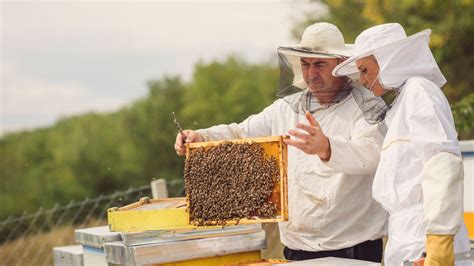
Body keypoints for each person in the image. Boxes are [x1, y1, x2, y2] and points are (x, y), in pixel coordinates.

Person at [174, 22, 388, 262]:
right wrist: (201, 137)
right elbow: (242, 132)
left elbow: (373, 155)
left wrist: (327, 147)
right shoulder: (286, 109)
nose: (311, 74)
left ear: (340, 64)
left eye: (319, 64)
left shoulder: (367, 106)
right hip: (296, 249)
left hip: (352, 250)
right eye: (305, 65)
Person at [333, 23, 471, 266]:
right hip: (404, 235)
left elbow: (442, 162)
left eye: (365, 70)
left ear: (389, 60)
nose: (363, 80)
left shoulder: (420, 90)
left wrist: (438, 245)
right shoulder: (401, 103)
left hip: (425, 234)